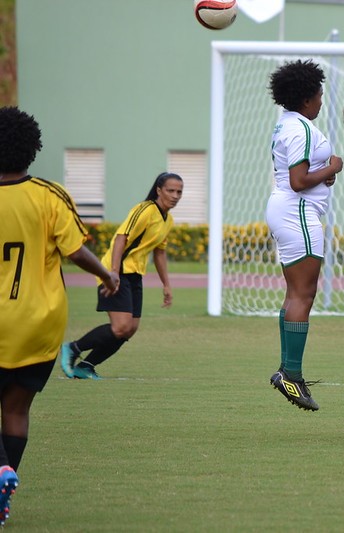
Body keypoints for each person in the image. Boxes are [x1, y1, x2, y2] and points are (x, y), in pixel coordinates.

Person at [0, 106, 119, 525]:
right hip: (39, 323)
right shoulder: (50, 195)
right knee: (15, 409)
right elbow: (75, 251)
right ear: (33, 150)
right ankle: (6, 479)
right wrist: (107, 274)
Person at [265, 59, 343, 412]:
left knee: (294, 293)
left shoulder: (287, 124)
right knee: (304, 293)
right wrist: (333, 167)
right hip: (298, 212)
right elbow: (298, 181)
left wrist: (322, 174)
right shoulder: (302, 130)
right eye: (320, 93)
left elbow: (299, 174)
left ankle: (287, 370)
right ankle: (290, 375)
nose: (322, 99)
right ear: (308, 97)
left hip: (287, 209)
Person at [60, 172, 183, 380]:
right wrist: (113, 273)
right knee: (121, 327)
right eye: (171, 190)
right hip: (115, 271)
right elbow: (120, 238)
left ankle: (86, 366)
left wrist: (167, 285)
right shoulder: (144, 210)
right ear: (159, 190)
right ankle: (73, 348)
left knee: (130, 329)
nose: (175, 195)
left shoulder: (167, 220)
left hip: (134, 274)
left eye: (179, 191)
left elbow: (159, 252)